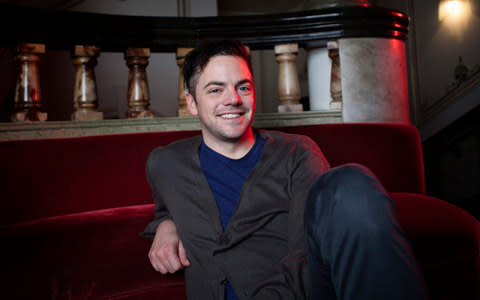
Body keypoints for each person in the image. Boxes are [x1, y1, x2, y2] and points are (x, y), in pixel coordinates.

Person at [141, 39, 428, 300]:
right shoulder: (165, 163)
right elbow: (166, 204)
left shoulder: (297, 152)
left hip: (296, 294)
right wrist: (165, 225)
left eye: (243, 87)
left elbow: (303, 253)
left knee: (350, 183)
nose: (233, 99)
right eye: (216, 89)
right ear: (192, 103)